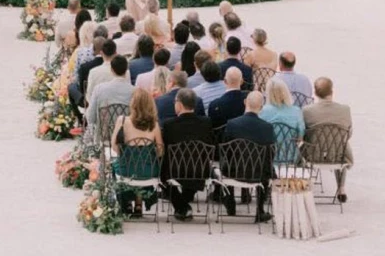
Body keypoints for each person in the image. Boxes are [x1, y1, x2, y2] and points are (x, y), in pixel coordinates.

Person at [161, 87, 214, 222]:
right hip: (200, 171)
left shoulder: (169, 125)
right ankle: (183, 205)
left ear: (179, 104)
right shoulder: (206, 123)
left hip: (174, 170)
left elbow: (164, 148)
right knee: (194, 167)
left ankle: (182, 207)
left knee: (162, 173)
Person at [220, 90, 275, 221]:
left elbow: (225, 149)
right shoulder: (267, 127)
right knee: (267, 165)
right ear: (261, 107)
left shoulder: (232, 124)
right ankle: (260, 209)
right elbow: (271, 153)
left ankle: (230, 202)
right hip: (259, 173)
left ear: (245, 103)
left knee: (228, 160)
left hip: (234, 171)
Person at [110, 87, 163, 217]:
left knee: (116, 167)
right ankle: (139, 205)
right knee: (140, 168)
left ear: (133, 103)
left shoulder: (122, 120)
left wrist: (126, 152)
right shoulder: (154, 125)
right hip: (148, 171)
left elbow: (114, 146)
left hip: (126, 170)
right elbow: (160, 150)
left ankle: (126, 202)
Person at [303, 77, 353, 202]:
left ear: (315, 92)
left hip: (312, 154)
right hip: (337, 155)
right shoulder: (345, 110)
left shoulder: (307, 111)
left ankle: (304, 185)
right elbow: (349, 133)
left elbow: (303, 134)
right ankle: (341, 188)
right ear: (332, 91)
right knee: (341, 144)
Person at [86, 55, 134, 138]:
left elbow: (91, 117)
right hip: (128, 137)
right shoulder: (136, 91)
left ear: (111, 70)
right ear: (127, 70)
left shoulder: (99, 89)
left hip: (104, 137)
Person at [260, 78, 305, 163]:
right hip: (291, 156)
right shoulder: (296, 111)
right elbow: (300, 138)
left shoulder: (262, 111)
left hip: (268, 158)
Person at [207, 66, 247, 133]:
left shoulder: (214, 105)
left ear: (225, 81)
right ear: (242, 81)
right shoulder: (249, 101)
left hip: (221, 141)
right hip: (245, 140)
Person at [84, 39, 119, 105]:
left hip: (100, 109)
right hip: (120, 110)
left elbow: (89, 96)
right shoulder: (125, 71)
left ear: (101, 53)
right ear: (116, 53)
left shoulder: (93, 72)